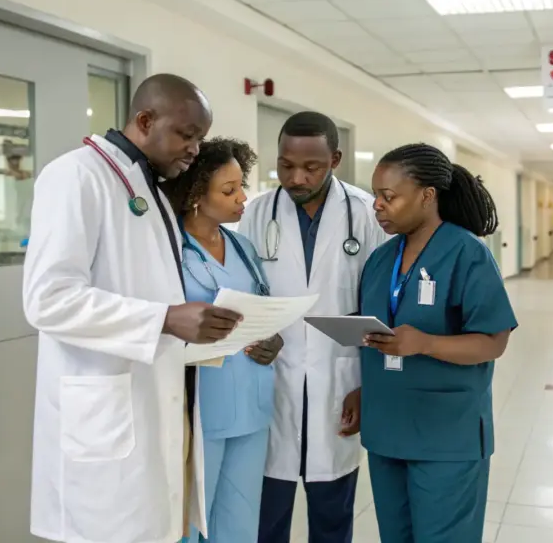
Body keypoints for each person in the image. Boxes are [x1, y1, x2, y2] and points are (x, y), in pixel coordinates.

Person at [22, 73, 242, 543]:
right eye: (187, 135)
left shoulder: (150, 188)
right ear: (145, 120)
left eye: (200, 139)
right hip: (103, 413)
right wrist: (165, 318)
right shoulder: (76, 175)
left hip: (151, 399)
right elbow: (47, 299)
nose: (195, 150)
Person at [238, 111, 387, 543]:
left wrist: (366, 386)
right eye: (286, 165)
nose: (296, 177)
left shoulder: (365, 215)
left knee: (333, 515)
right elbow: (241, 292)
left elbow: (379, 306)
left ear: (335, 159)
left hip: (340, 381)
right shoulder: (254, 213)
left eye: (311, 167)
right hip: (271, 381)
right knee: (265, 517)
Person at [357, 143, 517, 543]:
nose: (377, 205)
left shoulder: (467, 253)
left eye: (388, 196)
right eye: (376, 195)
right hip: (387, 427)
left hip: (447, 434)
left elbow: (493, 342)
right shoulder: (381, 259)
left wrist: (425, 344)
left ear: (428, 196)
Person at [160, 138, 285, 543]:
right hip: (199, 407)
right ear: (196, 194)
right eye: (228, 190)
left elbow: (260, 308)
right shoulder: (167, 252)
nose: (242, 198)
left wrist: (273, 338)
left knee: (240, 521)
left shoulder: (242, 247)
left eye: (241, 186)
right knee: (190, 524)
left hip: (251, 402)